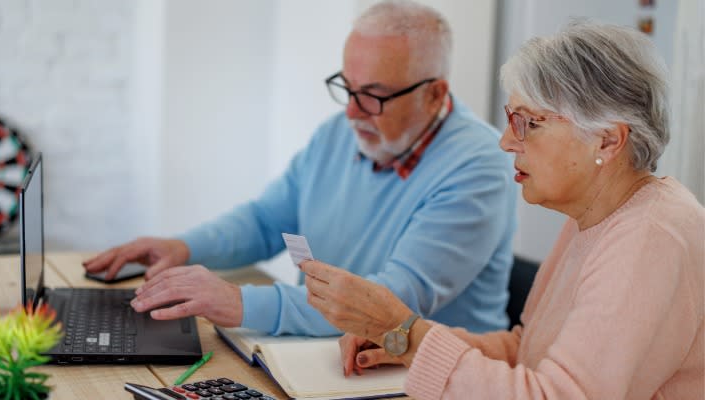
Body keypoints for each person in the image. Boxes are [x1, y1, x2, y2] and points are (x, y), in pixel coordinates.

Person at [302, 21, 704, 398]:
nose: (506, 142)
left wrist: (404, 333)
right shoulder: (596, 216)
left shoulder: (650, 239)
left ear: (607, 141)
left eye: (529, 123)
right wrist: (403, 341)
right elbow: (525, 351)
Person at [83, 0, 517, 336]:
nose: (351, 112)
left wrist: (238, 302)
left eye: (373, 95)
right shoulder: (340, 132)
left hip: (421, 378)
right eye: (347, 87)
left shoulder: (478, 169)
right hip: (329, 354)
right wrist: (182, 247)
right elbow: (267, 222)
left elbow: (387, 304)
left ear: (434, 94)